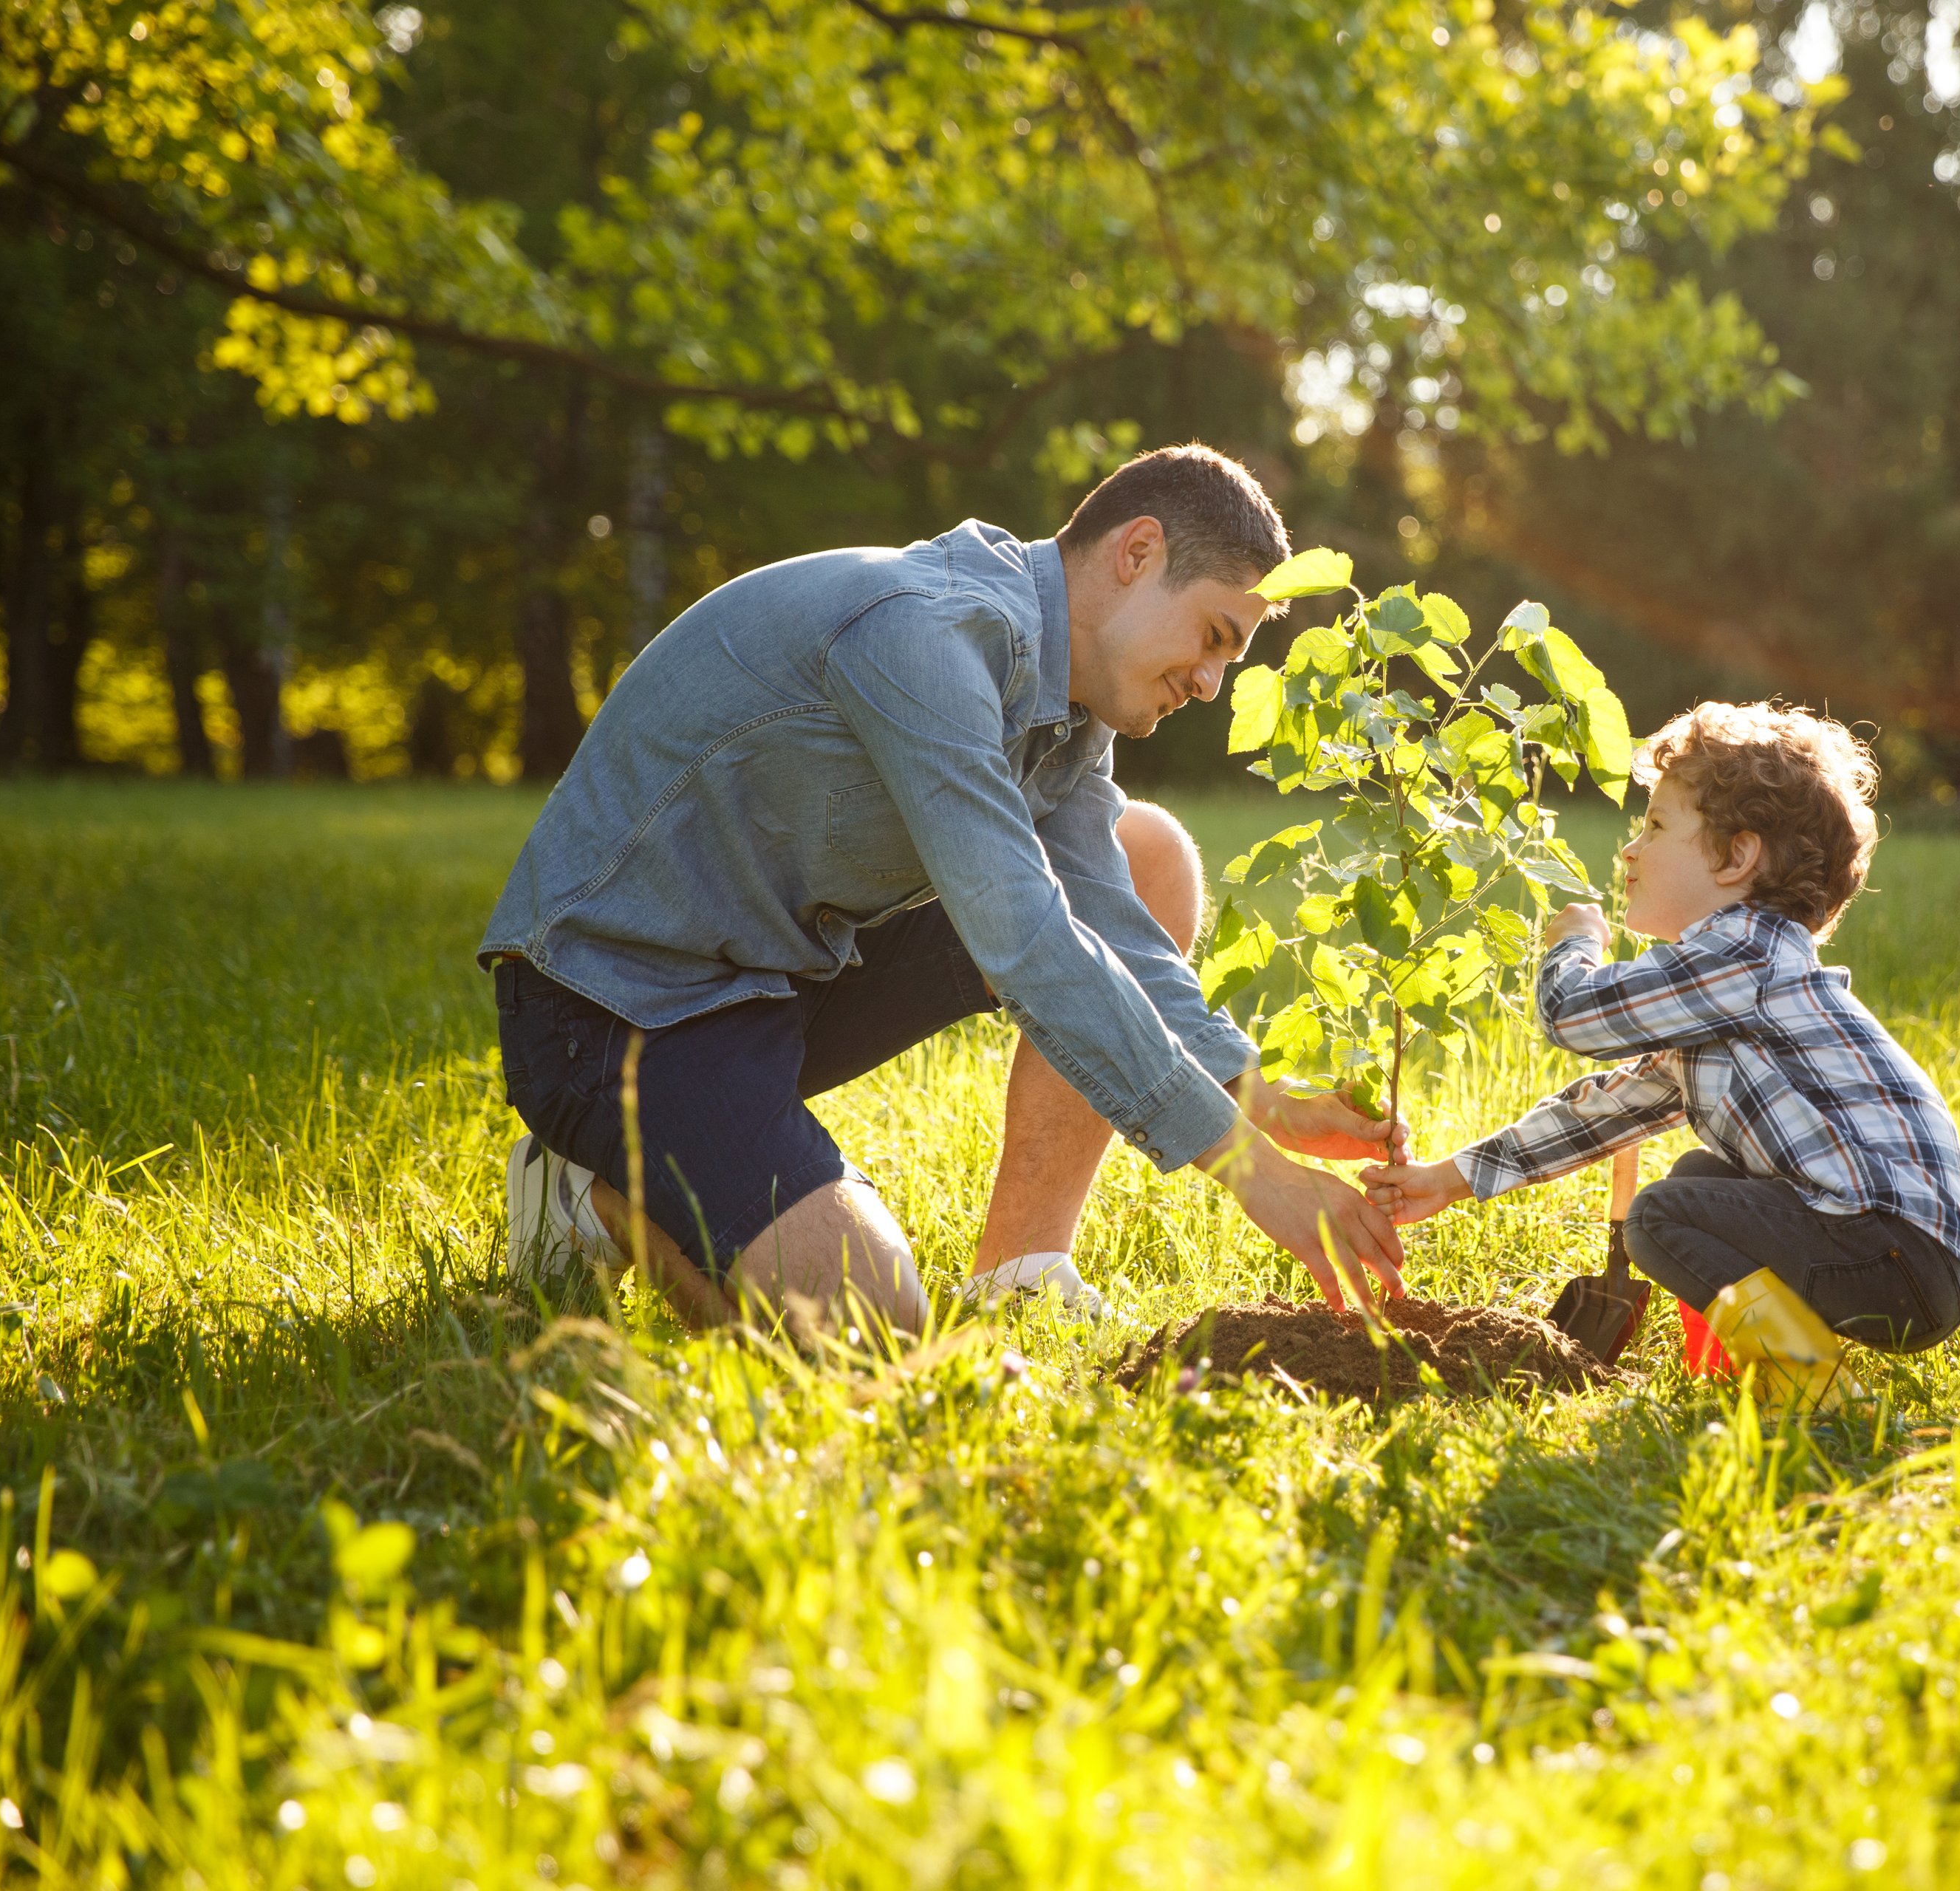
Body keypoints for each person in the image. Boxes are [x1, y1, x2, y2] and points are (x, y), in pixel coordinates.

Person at [480, 445, 1406, 1338]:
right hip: (615, 1007)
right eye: (1214, 638)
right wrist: (1252, 1172)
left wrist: (1255, 1093)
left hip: (778, 976)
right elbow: (1027, 936)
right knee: (870, 1328)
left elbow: (1108, 919)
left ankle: (1021, 1275)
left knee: (1145, 854)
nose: (1210, 683)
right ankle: (588, 1197)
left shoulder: (1069, 707)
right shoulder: (926, 632)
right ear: (1138, 553)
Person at [1359, 701, 1960, 1410]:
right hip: (1909, 1259)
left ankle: (1815, 1393)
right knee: (1696, 1176)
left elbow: (1573, 1016)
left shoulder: (1744, 953)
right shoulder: (1729, 992)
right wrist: (1452, 1178)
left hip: (1892, 1251)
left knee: (1661, 1216)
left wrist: (1575, 944)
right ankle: (1755, 1372)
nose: (1630, 850)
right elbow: (1606, 1111)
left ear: (1737, 857)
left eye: (1655, 827)